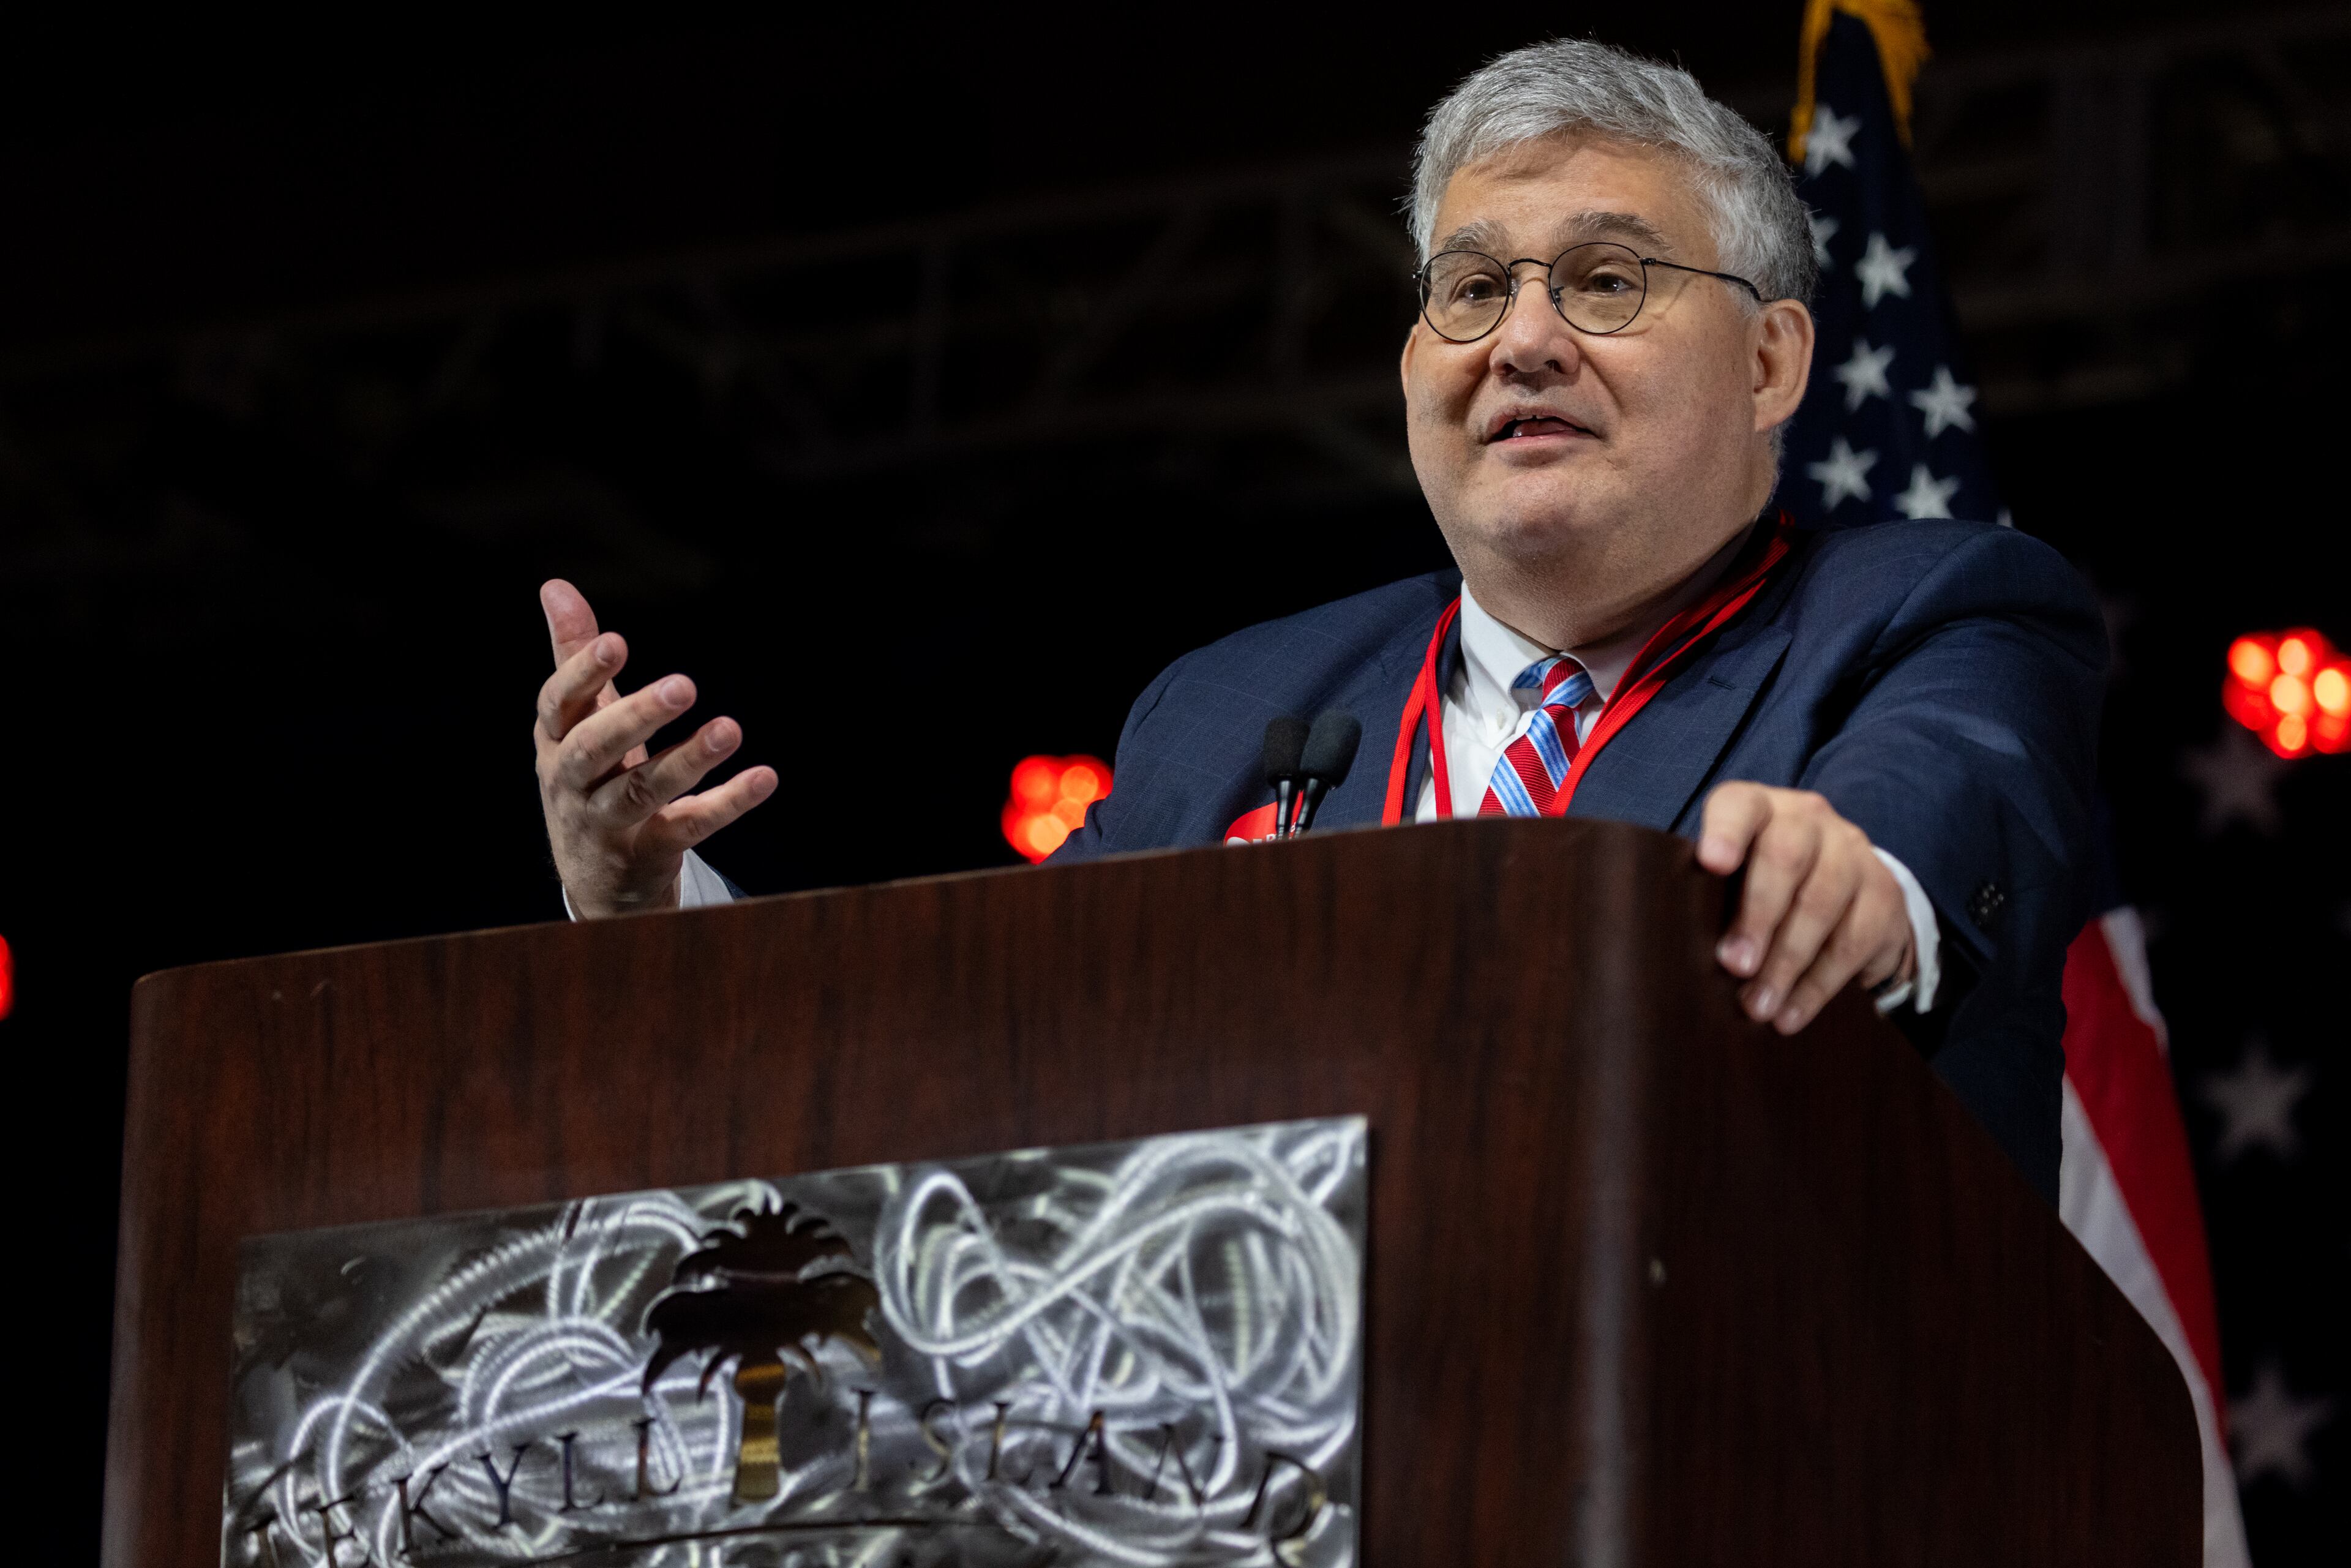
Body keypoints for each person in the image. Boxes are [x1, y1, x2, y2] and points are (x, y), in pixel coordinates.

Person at [528, 40, 2102, 1201]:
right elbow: (959, 1034)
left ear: (1769, 362)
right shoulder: (1230, 710)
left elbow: (1939, 792)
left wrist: (1858, 875)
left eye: (1609, 281)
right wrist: (659, 918)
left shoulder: (1927, 610)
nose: (1524, 341)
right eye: (1471, 290)